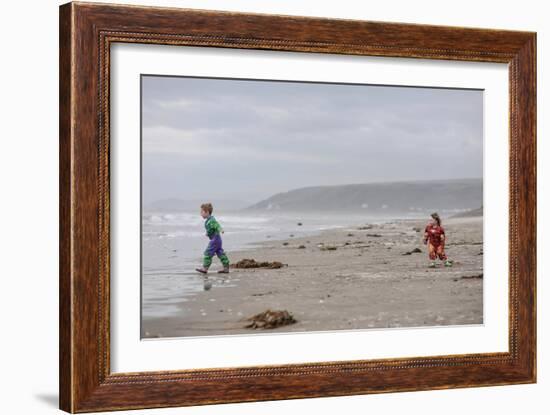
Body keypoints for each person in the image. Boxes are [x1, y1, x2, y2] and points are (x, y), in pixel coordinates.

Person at [195, 203, 230, 274]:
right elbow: (211, 228)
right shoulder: (209, 220)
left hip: (215, 240)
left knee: (208, 253)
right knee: (220, 253)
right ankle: (226, 268)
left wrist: (221, 229)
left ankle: (205, 268)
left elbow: (216, 225)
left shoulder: (212, 220)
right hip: (217, 239)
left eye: (202, 212)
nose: (200, 214)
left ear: (207, 212)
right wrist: (208, 233)